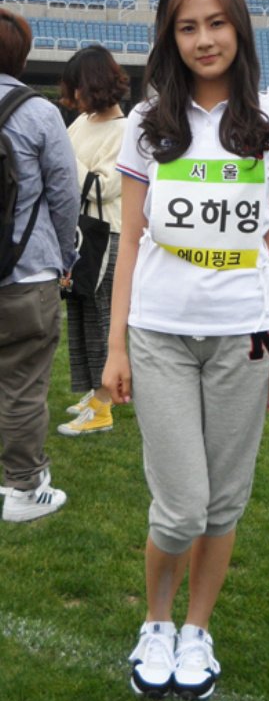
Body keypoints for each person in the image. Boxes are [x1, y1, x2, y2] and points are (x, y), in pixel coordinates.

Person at [102, 0, 269, 701]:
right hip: (159, 331)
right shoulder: (147, 122)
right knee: (182, 504)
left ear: (238, 28)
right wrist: (116, 345)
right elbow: (130, 240)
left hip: (247, 335)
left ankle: (195, 630)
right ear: (171, 39)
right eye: (187, 27)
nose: (204, 39)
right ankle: (154, 621)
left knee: (224, 502)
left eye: (216, 22)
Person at [0, 8, 80, 523]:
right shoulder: (38, 113)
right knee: (23, 386)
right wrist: (65, 257)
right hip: (26, 273)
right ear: (23, 57)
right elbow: (64, 195)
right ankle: (25, 488)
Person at [57, 46, 129, 437]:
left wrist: (63, 155)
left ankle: (103, 403)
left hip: (106, 235)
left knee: (101, 318)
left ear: (94, 85)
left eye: (77, 87)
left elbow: (104, 188)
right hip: (80, 233)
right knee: (81, 315)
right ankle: (93, 392)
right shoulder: (82, 122)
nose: (73, 96)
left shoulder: (124, 130)